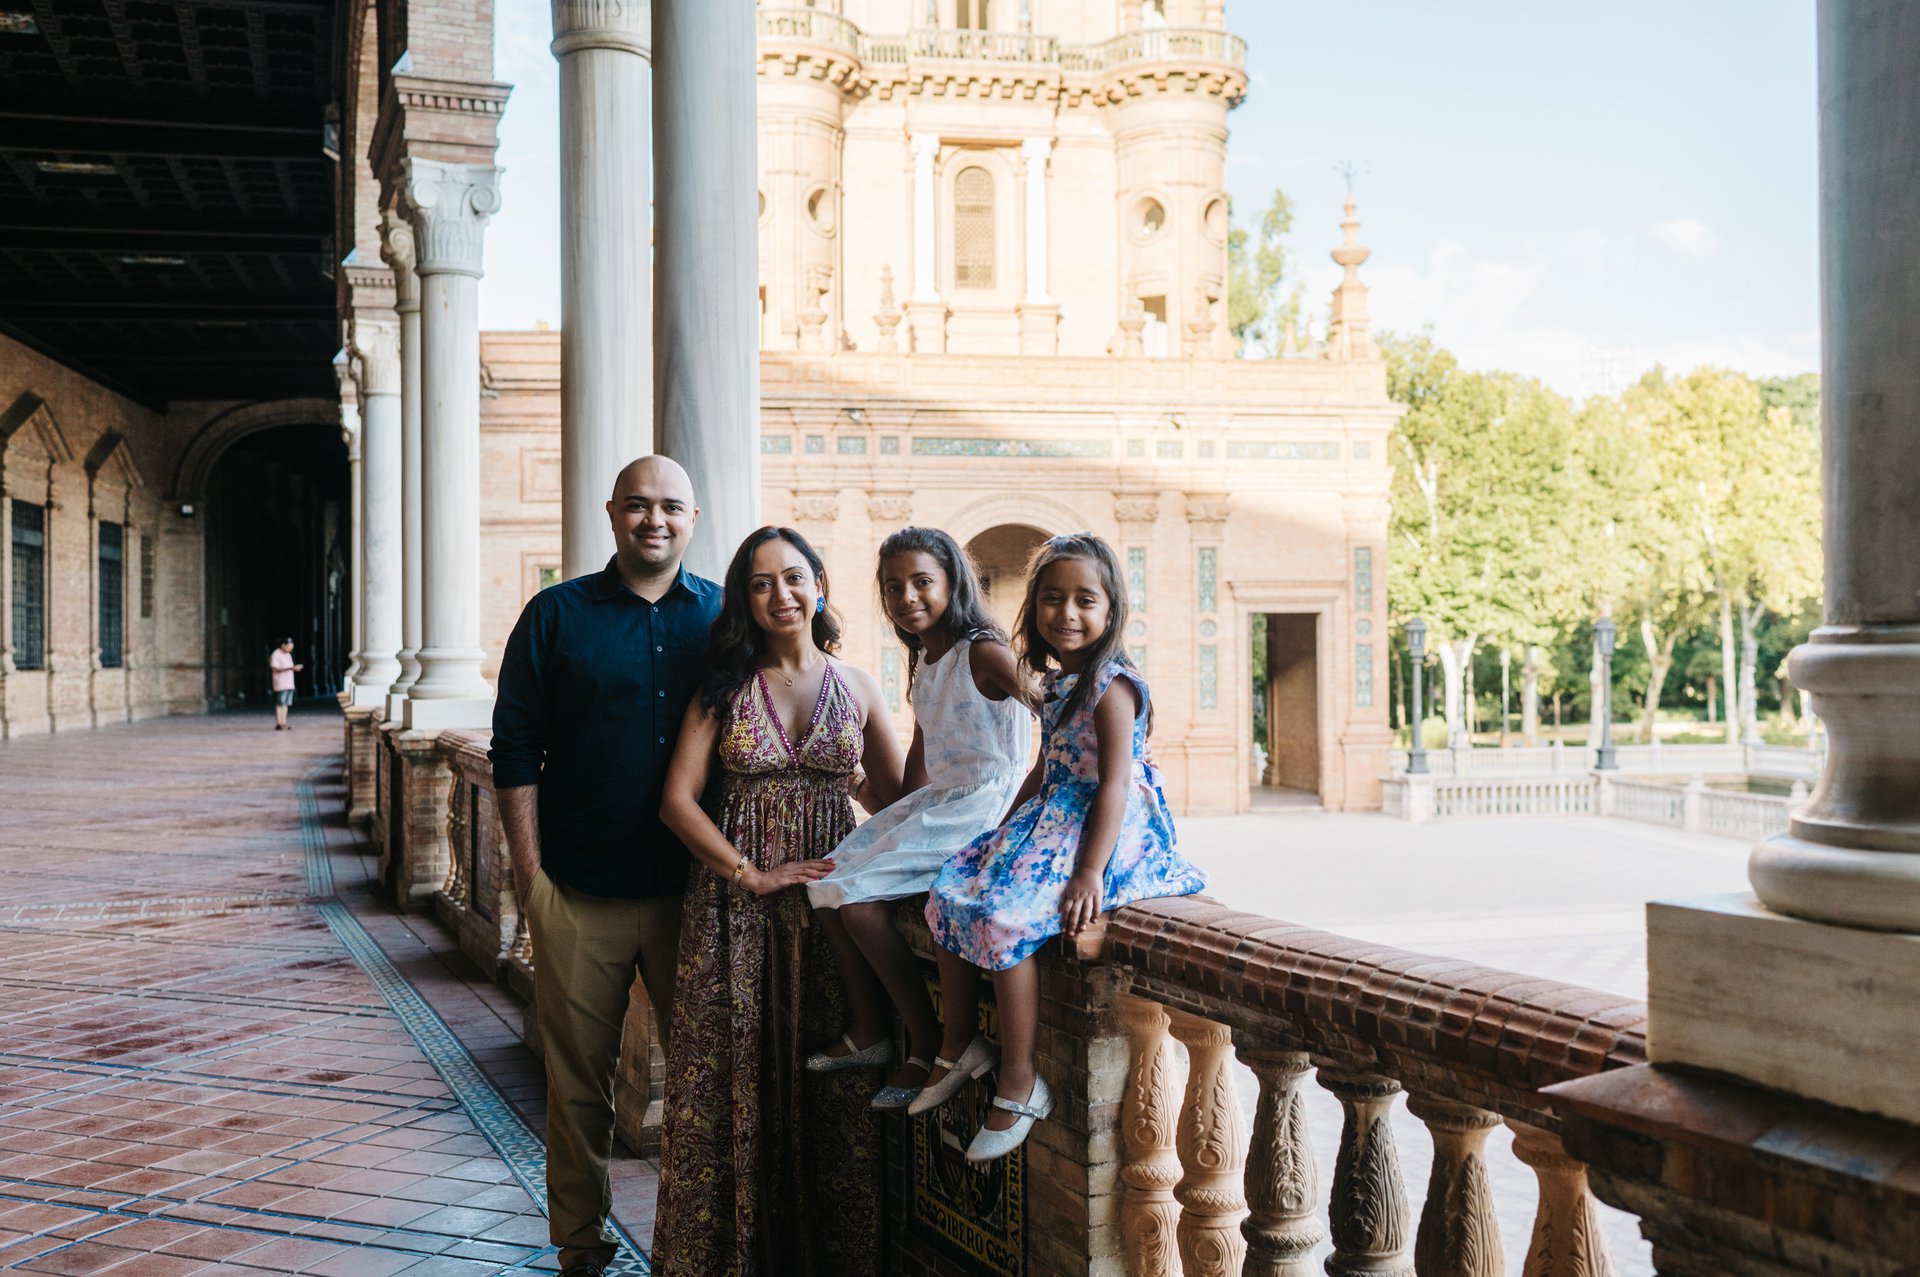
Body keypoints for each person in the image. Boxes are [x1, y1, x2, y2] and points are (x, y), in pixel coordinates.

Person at [489, 456, 721, 1277]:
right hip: (579, 887)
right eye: (638, 505)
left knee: (705, 1080)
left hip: (696, 894)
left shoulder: (725, 618)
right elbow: (514, 748)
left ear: (693, 518)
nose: (654, 519)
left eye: (671, 506)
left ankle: (701, 1241)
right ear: (612, 512)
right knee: (578, 1080)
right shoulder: (556, 615)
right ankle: (582, 1243)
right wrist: (530, 878)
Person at [654, 526, 906, 1277]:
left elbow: (901, 804)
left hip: (834, 910)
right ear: (745, 600)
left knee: (830, 1078)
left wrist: (860, 784)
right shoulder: (724, 689)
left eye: (794, 577)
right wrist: (751, 874)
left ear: (819, 584)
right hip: (735, 912)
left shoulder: (858, 686)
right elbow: (676, 801)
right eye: (761, 583)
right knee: (732, 1075)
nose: (781, 595)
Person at [919, 533, 1207, 1161]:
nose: (1066, 613)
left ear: (1111, 611)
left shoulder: (1112, 685)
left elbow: (1116, 784)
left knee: (1004, 919)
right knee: (951, 887)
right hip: (1055, 811)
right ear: (1034, 607)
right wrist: (1002, 830)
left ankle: (1021, 1080)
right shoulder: (1057, 683)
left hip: (1107, 826)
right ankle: (958, 1042)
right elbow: (1045, 768)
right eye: (1052, 598)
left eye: (1084, 600)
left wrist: (1089, 873)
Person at [804, 527, 1033, 1111]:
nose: (907, 596)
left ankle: (929, 1040)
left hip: (984, 806)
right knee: (824, 879)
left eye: (922, 581)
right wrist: (891, 811)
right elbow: (922, 755)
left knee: (858, 904)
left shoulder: (983, 650)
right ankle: (870, 1029)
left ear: (953, 582)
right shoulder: (928, 661)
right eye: (892, 587)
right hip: (944, 802)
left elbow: (1049, 704)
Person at [268, 638, 303, 730]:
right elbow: (274, 669)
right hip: (281, 683)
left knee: (286, 704)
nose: (291, 649)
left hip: (289, 683)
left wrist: (293, 668)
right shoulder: (276, 654)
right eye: (289, 646)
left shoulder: (288, 654)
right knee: (280, 703)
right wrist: (290, 668)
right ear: (283, 645)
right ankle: (279, 723)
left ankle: (283, 722)